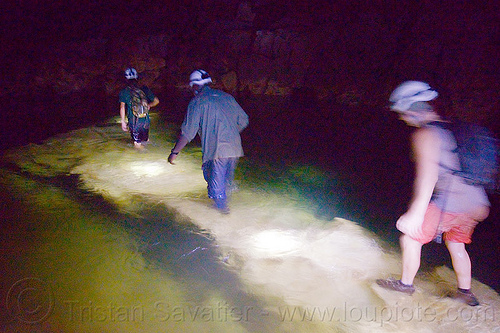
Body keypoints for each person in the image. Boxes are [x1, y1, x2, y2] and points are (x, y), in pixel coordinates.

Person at [376, 81, 490, 306]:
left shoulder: (426, 134)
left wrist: (415, 215)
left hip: (452, 203)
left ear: (412, 108)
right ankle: (465, 293)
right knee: (457, 245)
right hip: (478, 204)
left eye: (402, 111)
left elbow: (428, 177)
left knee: (410, 239)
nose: (401, 117)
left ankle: (405, 286)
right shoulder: (453, 128)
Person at [168, 69, 249, 213]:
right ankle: (226, 209)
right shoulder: (227, 97)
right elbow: (244, 120)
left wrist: (174, 152)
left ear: (195, 86)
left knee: (216, 191)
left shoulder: (197, 102)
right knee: (226, 184)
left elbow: (187, 133)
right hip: (235, 148)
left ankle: (223, 218)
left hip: (217, 152)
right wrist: (229, 135)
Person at [119, 68, 160, 149]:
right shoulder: (144, 89)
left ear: (126, 79)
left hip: (134, 121)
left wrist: (123, 121)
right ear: (136, 77)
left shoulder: (124, 91)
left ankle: (146, 157)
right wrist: (149, 105)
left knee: (137, 144)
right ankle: (153, 151)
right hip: (145, 120)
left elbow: (122, 107)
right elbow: (156, 101)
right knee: (145, 140)